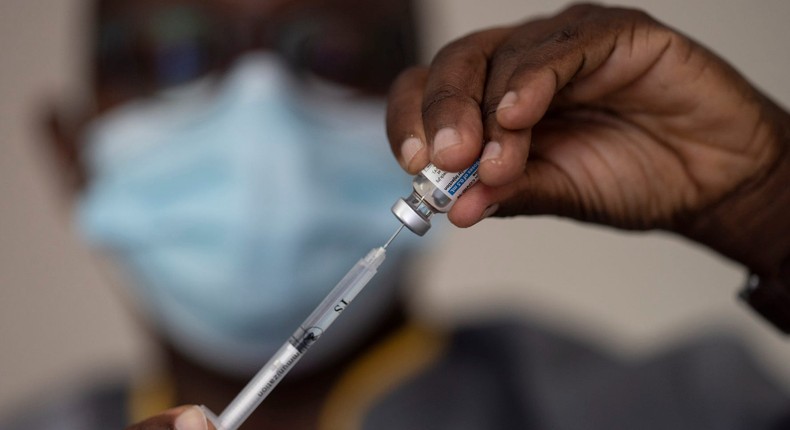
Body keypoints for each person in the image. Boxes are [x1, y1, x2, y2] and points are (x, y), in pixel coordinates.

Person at [15, 2, 788, 430]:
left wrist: (775, 205)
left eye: (335, 54)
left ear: (430, 108)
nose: (260, 120)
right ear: (68, 150)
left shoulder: (671, 413)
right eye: (168, 54)